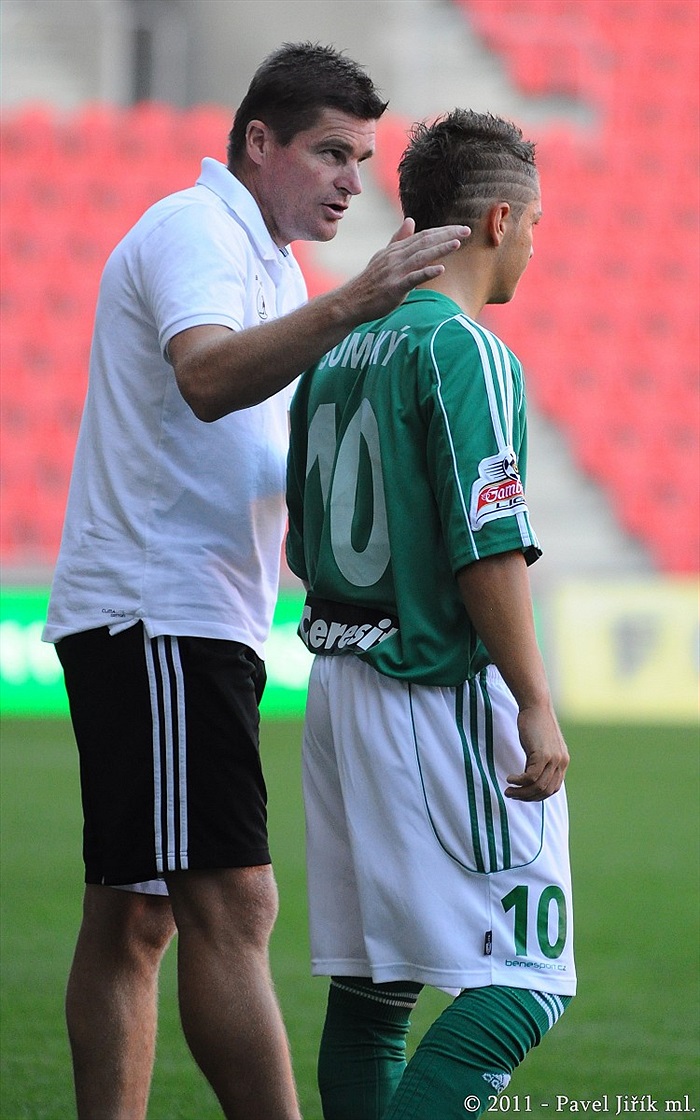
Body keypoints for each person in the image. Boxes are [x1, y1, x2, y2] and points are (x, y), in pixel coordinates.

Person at [43, 42, 471, 1120]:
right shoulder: (201, 229)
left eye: (364, 160)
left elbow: (256, 454)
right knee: (235, 899)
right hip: (161, 613)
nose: (350, 182)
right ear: (257, 142)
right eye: (331, 152)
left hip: (190, 613)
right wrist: (360, 301)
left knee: (134, 917)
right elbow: (202, 377)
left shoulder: (272, 266)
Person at [285, 108, 576, 1120]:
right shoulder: (467, 351)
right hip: (431, 689)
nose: (538, 244)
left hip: (341, 686)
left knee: (374, 989)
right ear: (498, 219)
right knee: (526, 980)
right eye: (537, 223)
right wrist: (534, 701)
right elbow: (486, 541)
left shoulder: (337, 348)